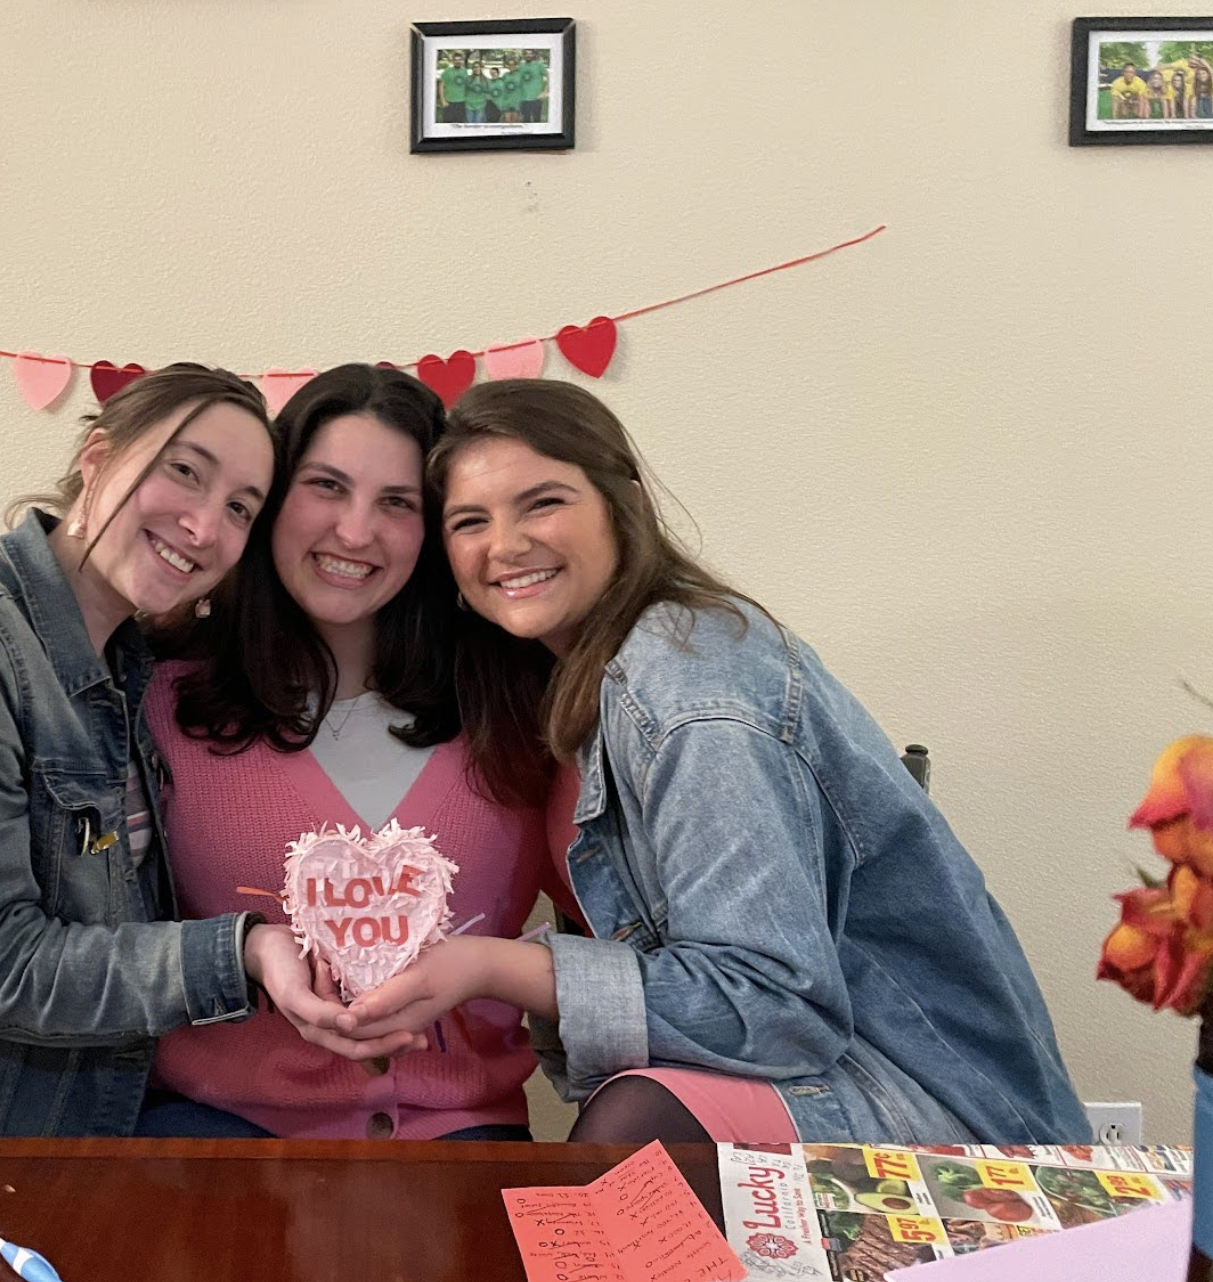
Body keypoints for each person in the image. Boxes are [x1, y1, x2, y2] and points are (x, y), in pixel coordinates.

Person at [0, 366, 562, 1141]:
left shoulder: (521, 698)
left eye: (397, 502)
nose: (355, 530)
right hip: (196, 1138)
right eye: (325, 486)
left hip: (463, 1140)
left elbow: (617, 902)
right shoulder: (156, 690)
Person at [340, 379, 1092, 1147]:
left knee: (635, 1130)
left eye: (543, 503)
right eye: (471, 521)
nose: (505, 545)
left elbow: (778, 1006)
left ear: (624, 506)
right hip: (808, 1072)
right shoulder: (551, 686)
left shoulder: (688, 688)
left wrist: (493, 969)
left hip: (927, 1100)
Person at [440, 53, 471, 124]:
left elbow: (466, 85)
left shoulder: (464, 71)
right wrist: (443, 100)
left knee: (459, 123)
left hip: (461, 101)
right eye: (456, 60)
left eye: (460, 60)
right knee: (448, 123)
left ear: (462, 61)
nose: (458, 61)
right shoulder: (447, 71)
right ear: (453, 61)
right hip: (449, 101)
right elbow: (441, 86)